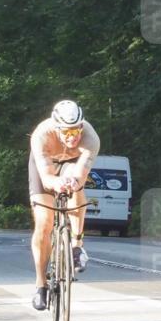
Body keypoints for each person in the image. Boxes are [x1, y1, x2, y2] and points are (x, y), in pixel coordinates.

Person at [28, 100, 100, 310]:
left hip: (72, 165)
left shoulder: (91, 138)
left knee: (76, 186)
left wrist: (72, 182)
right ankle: (41, 285)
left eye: (76, 130)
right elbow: (47, 177)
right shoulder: (41, 135)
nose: (73, 136)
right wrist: (55, 183)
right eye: (67, 132)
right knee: (44, 222)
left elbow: (81, 173)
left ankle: (77, 246)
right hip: (45, 166)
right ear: (57, 128)